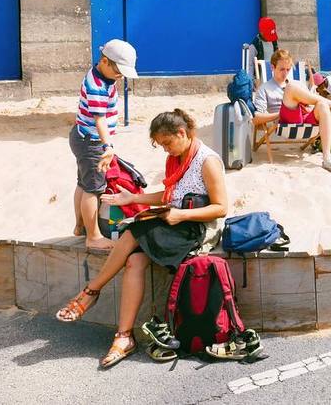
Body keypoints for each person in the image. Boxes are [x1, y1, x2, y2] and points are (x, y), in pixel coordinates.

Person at [55, 109, 228, 369]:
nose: (166, 150)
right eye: (161, 146)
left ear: (182, 133)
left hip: (198, 229)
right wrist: (134, 199)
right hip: (178, 222)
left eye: (167, 143)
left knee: (135, 231)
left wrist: (181, 215)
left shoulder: (207, 161)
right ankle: (124, 337)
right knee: (135, 261)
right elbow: (170, 196)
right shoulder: (179, 158)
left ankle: (91, 291)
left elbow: (221, 208)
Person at [70, 39, 138, 251]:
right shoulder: (97, 86)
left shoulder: (105, 76)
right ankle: (93, 236)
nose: (120, 76)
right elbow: (99, 119)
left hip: (83, 136)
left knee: (84, 183)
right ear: (105, 61)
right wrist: (107, 146)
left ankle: (80, 225)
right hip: (91, 141)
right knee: (94, 188)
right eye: (118, 71)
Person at [253, 49, 331, 173]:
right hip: (285, 120)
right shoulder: (265, 88)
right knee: (291, 86)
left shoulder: (298, 84)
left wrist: (308, 108)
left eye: (288, 70)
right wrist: (279, 114)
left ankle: (327, 158)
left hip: (303, 117)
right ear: (272, 67)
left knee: (322, 104)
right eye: (282, 69)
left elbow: (312, 103)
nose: (285, 73)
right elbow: (256, 118)